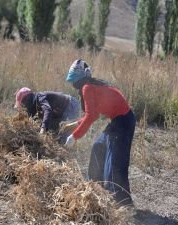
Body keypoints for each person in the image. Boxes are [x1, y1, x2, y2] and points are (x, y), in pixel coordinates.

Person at [64, 59, 136, 206]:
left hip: (123, 122)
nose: (73, 85)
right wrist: (74, 125)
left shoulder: (87, 87)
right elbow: (93, 114)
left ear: (79, 77)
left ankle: (121, 203)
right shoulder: (90, 86)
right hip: (119, 121)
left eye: (73, 80)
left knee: (114, 163)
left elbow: (91, 117)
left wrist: (74, 136)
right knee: (99, 146)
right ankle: (94, 188)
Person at [14, 87, 80, 138]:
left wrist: (43, 130)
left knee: (64, 134)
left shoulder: (40, 97)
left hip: (70, 105)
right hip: (59, 111)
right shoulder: (33, 107)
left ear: (27, 99)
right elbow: (25, 117)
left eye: (23, 104)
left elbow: (47, 111)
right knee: (54, 131)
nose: (23, 107)